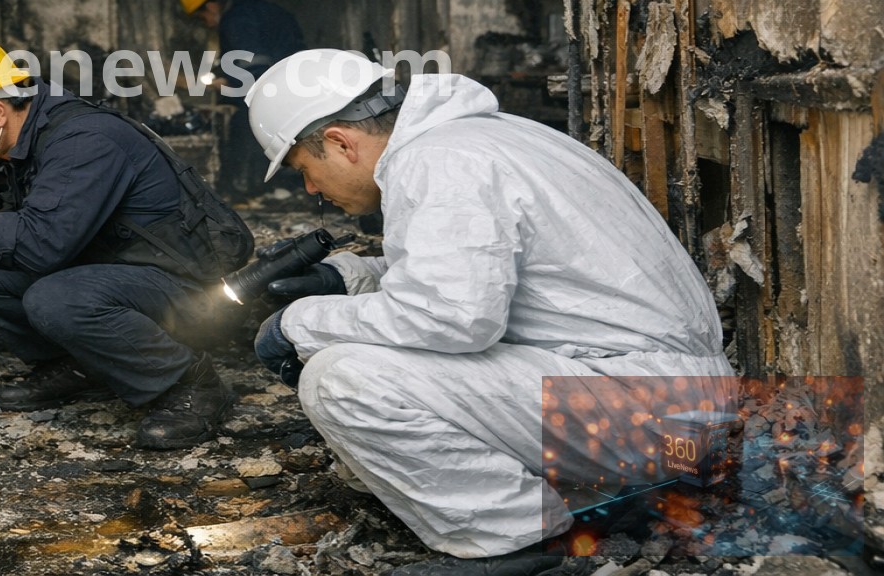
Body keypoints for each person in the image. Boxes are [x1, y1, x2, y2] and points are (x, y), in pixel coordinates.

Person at [243, 49, 734, 576]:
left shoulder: (438, 163)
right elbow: (480, 265)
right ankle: (601, 502)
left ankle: (519, 544)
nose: (312, 189)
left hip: (645, 410)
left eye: (305, 170)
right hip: (665, 399)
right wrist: (347, 277)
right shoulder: (482, 139)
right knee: (362, 368)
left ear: (341, 142)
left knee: (340, 379)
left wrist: (298, 323)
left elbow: (450, 318)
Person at [0, 33, 252, 449]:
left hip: (187, 291)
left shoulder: (84, 140)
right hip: (111, 272)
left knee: (55, 298)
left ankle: (190, 382)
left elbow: (37, 248)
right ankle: (78, 367)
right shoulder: (6, 144)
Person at [178, 0, 306, 197]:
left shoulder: (236, 19)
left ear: (211, 5)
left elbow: (253, 64)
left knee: (245, 125)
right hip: (291, 80)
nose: (206, 23)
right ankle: (270, 188)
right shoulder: (250, 8)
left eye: (202, 17)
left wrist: (227, 84)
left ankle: (246, 190)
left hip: (273, 85)